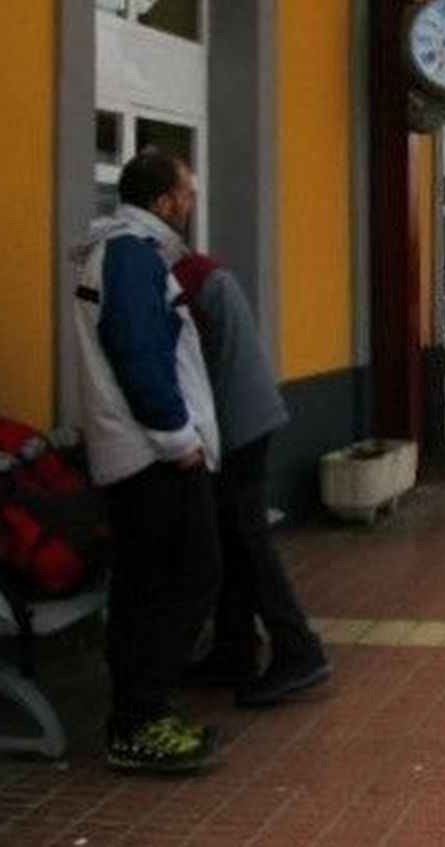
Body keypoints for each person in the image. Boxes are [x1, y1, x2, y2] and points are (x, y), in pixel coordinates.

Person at [70, 150, 221, 773]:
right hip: (152, 459)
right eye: (186, 191)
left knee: (147, 587)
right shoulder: (130, 256)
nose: (190, 201)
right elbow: (139, 354)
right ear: (162, 200)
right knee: (183, 580)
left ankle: (142, 714)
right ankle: (140, 720)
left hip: (141, 455)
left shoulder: (128, 253)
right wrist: (180, 442)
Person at [173, 251, 332, 708]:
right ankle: (234, 649)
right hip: (249, 416)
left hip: (235, 426)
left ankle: (297, 648)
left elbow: (184, 365)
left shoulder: (182, 282)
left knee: (246, 539)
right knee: (233, 538)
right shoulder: (202, 271)